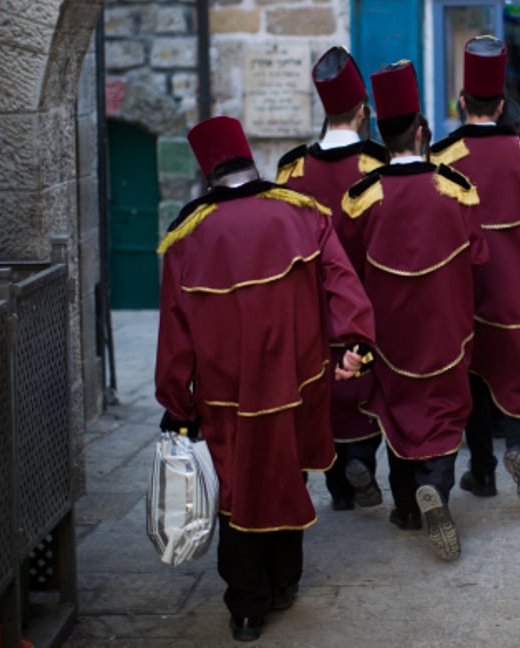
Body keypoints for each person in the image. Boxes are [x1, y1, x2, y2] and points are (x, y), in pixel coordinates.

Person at [155, 116, 377, 642]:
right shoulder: (302, 213)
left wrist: (177, 403)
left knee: (237, 487)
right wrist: (356, 343)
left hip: (225, 393)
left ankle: (246, 607)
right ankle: (284, 583)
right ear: (250, 162)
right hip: (298, 379)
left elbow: (174, 331)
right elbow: (341, 280)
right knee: (287, 470)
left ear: (208, 174)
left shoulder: (187, 236)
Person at [343, 59, 488, 561]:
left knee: (397, 406)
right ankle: (438, 489)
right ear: (423, 131)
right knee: (446, 405)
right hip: (446, 321)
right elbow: (479, 255)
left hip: (388, 328)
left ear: (382, 137)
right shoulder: (455, 187)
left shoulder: (363, 196)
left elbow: (349, 265)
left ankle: (407, 507)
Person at [430, 35, 520, 509]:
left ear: (461, 103)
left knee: (474, 375)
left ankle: (481, 469)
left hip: (467, 287)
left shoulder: (441, 159)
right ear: (503, 105)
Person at [276, 46, 388, 513]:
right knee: (361, 385)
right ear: (363, 112)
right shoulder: (376, 167)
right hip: (362, 297)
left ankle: (339, 483)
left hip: (308, 305)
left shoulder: (291, 169)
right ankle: (360, 458)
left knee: (319, 388)